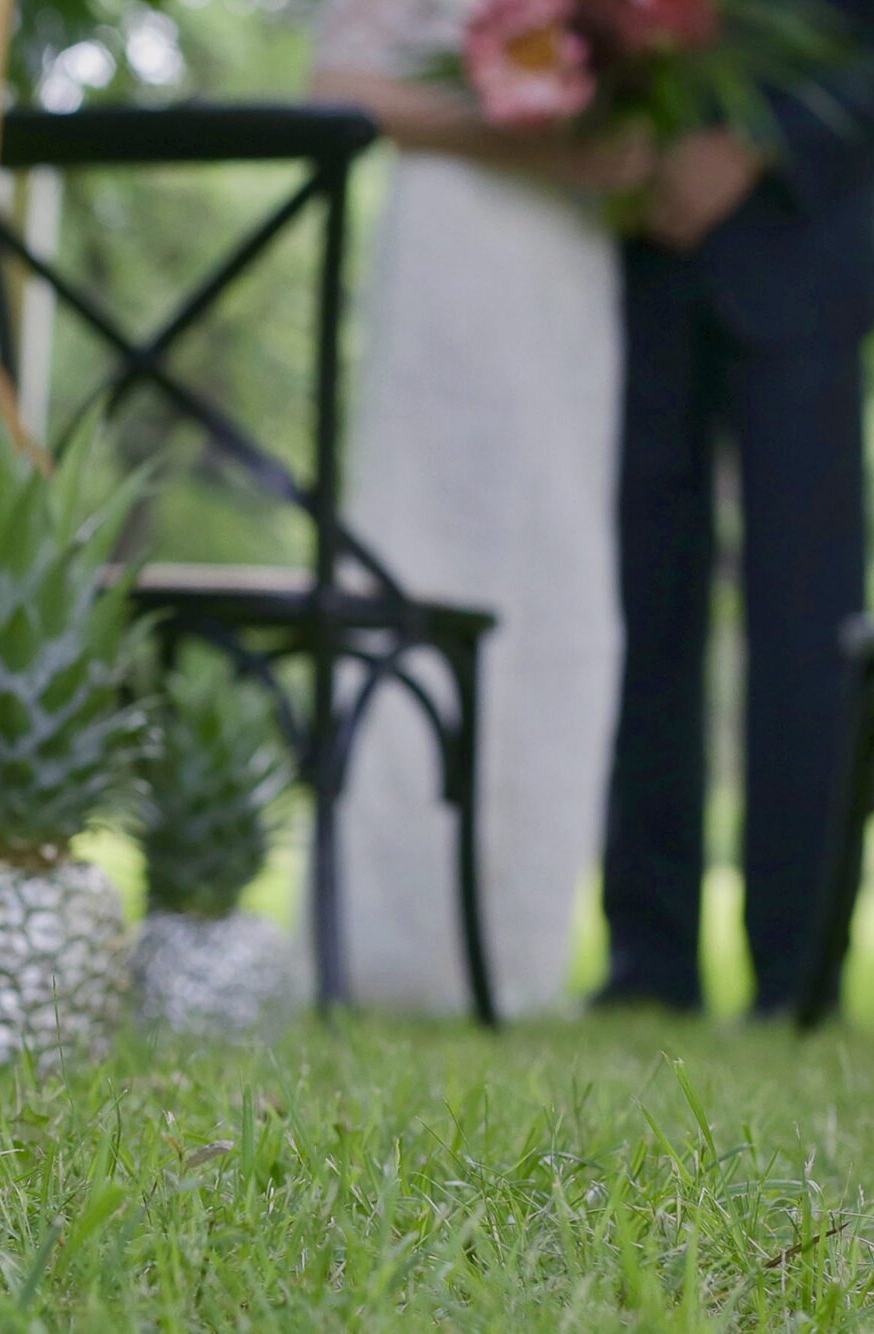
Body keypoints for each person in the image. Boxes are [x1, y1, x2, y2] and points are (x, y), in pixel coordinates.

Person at [598, 0, 874, 1016]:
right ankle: (644, 958)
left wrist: (754, 145)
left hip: (803, 271)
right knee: (639, 617)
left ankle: (796, 972)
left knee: (807, 629)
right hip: (640, 265)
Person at [309, 0, 651, 1015]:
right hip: (452, 240)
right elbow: (334, 87)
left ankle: (515, 942)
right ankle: (377, 934)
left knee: (552, 584)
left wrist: (609, 137)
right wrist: (506, 128)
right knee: (421, 547)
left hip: (569, 261)